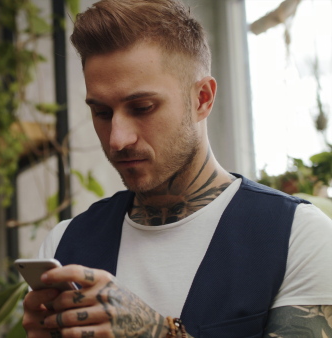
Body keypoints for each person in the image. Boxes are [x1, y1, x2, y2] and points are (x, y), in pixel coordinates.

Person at [21, 0, 332, 337]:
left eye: (142, 108)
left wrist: (160, 333)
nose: (117, 139)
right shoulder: (65, 245)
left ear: (202, 99)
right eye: (102, 113)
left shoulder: (297, 236)